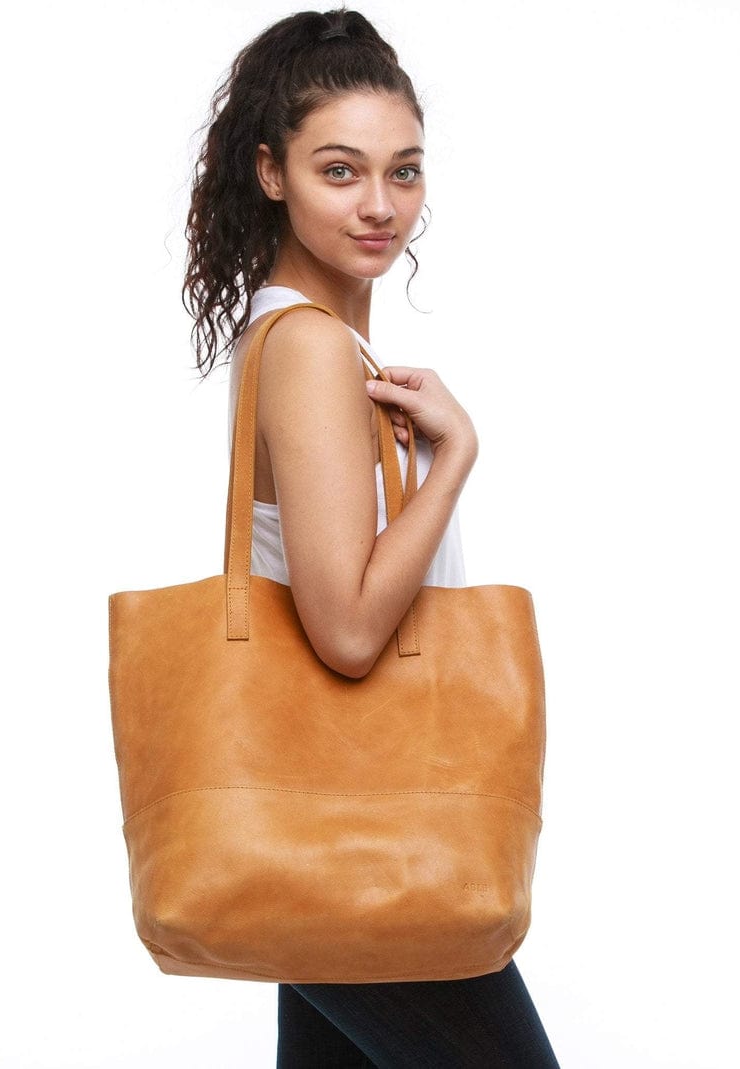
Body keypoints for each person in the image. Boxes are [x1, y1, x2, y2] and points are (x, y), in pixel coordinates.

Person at [182, 9, 560, 1067]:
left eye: (405, 171)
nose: (380, 205)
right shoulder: (308, 347)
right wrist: (456, 457)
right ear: (271, 172)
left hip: (326, 825)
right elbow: (347, 631)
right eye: (340, 171)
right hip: (365, 833)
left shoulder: (316, 341)